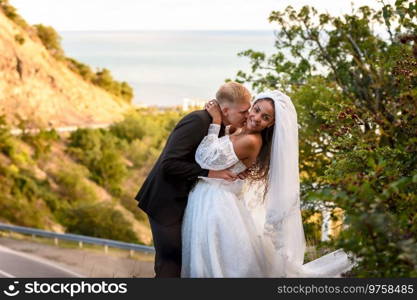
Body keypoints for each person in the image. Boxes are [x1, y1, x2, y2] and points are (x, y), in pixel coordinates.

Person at [181, 90, 353, 277]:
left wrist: (215, 122)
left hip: (217, 204)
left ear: (271, 123)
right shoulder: (239, 131)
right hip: (210, 197)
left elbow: (205, 159)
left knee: (217, 262)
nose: (256, 118)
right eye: (255, 110)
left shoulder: (252, 140)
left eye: (265, 117)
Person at [135, 82, 252, 277]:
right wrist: (211, 174)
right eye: (243, 112)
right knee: (170, 266)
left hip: (186, 202)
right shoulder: (197, 121)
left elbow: (214, 156)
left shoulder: (221, 126)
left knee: (184, 263)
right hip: (166, 202)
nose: (247, 115)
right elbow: (169, 163)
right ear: (225, 110)